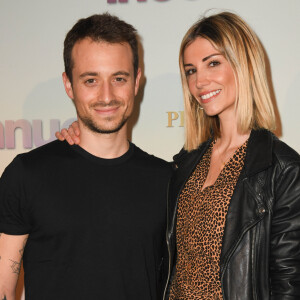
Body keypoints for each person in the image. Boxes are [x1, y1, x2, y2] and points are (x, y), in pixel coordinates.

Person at [58, 11, 300, 300]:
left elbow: (288, 284)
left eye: (212, 63)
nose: (199, 81)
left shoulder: (282, 170)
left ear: (244, 64)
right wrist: (81, 134)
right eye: (191, 70)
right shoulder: (188, 162)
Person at [0, 13, 172, 300]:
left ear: (136, 81)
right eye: (91, 80)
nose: (107, 96)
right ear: (69, 85)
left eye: (119, 78)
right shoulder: (26, 175)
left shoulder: (167, 180)